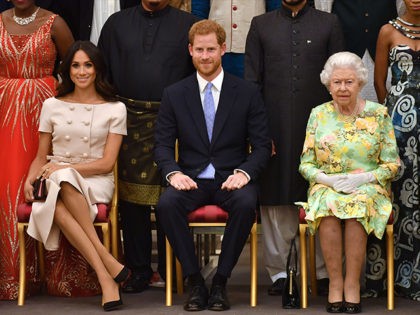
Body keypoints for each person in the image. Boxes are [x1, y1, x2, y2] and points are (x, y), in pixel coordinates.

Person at [154, 19, 271, 311]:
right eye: (199, 50)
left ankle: (220, 281)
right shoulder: (174, 93)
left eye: (211, 49)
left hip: (230, 179)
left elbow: (261, 146)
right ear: (190, 51)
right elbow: (162, 145)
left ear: (222, 49)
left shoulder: (245, 92)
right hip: (191, 179)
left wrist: (244, 173)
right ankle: (195, 280)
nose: (205, 56)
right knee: (166, 204)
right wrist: (173, 173)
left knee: (246, 203)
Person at [98, 0, 199, 293]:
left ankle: (174, 268)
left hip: (176, 121)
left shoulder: (188, 24)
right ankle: (139, 270)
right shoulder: (116, 24)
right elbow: (103, 73)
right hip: (127, 120)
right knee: (131, 200)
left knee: (173, 196)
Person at [244, 0, 344, 296]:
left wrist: (336, 132)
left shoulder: (329, 23)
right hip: (273, 126)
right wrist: (259, 133)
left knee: (320, 195)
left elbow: (338, 80)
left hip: (321, 128)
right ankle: (280, 273)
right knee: (276, 197)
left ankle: (324, 271)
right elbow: (252, 83)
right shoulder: (261, 25)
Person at [23, 41, 128, 311]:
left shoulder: (115, 108)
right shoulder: (51, 105)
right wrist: (29, 179)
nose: (82, 71)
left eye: (88, 65)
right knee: (56, 194)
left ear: (97, 69)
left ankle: (106, 272)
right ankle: (107, 271)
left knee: (61, 184)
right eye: (76, 65)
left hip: (95, 179)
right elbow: (41, 155)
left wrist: (62, 169)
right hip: (55, 176)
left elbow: (106, 163)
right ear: (68, 70)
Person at [297, 51, 400, 313]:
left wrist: (364, 178)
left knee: (357, 207)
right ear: (328, 84)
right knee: (329, 207)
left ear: (360, 83)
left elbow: (392, 164)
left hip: (368, 186)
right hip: (327, 184)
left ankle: (353, 284)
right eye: (337, 82)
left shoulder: (378, 114)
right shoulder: (318, 114)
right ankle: (335, 283)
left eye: (349, 82)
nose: (343, 88)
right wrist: (328, 180)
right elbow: (305, 164)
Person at [0, 0, 73, 300]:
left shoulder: (55, 23)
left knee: (46, 181)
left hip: (46, 108)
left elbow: (73, 64)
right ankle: (15, 274)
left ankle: (57, 273)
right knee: (8, 183)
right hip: (4, 108)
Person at [374, 0, 420, 301]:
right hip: (399, 126)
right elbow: (380, 82)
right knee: (398, 195)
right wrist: (391, 120)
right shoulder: (388, 31)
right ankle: (396, 277)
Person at [191, 0, 281, 78]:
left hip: (255, 47)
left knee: (250, 91)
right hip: (215, 48)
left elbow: (275, 11)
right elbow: (199, 12)